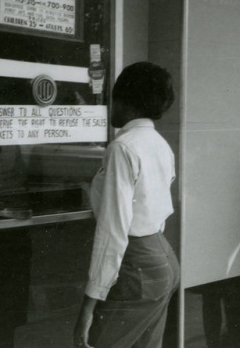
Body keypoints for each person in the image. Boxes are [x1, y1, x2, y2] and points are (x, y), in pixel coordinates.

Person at [73, 62, 180, 348]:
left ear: (129, 102)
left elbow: (113, 230)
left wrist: (89, 305)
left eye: (114, 98)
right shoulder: (159, 144)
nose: (111, 106)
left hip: (137, 269)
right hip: (162, 257)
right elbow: (149, 204)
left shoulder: (122, 147)